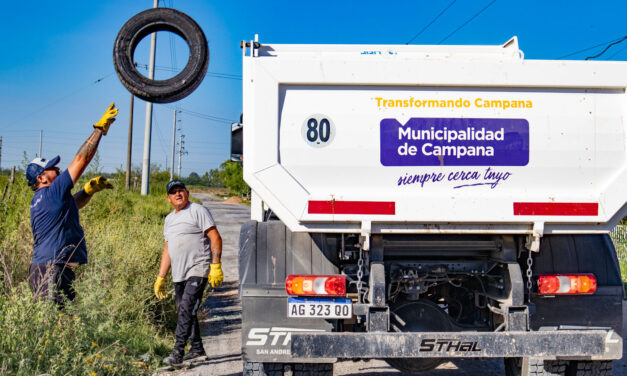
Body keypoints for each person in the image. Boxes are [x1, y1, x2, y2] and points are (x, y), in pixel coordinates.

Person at [26, 103, 118, 305]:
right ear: (41, 178)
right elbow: (81, 160)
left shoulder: (42, 200)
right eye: (51, 167)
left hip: (47, 268)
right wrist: (98, 130)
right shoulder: (54, 190)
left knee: (64, 323)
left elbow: (70, 206)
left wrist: (87, 191)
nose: (57, 168)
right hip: (51, 268)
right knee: (58, 325)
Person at [154, 179, 224, 366]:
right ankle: (197, 349)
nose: (178, 194)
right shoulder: (169, 219)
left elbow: (215, 237)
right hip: (179, 273)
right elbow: (168, 248)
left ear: (188, 193)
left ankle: (177, 353)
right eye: (173, 192)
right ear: (168, 198)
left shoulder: (198, 211)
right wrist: (161, 277)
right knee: (185, 310)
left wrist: (215, 265)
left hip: (198, 269)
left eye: (181, 190)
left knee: (186, 308)